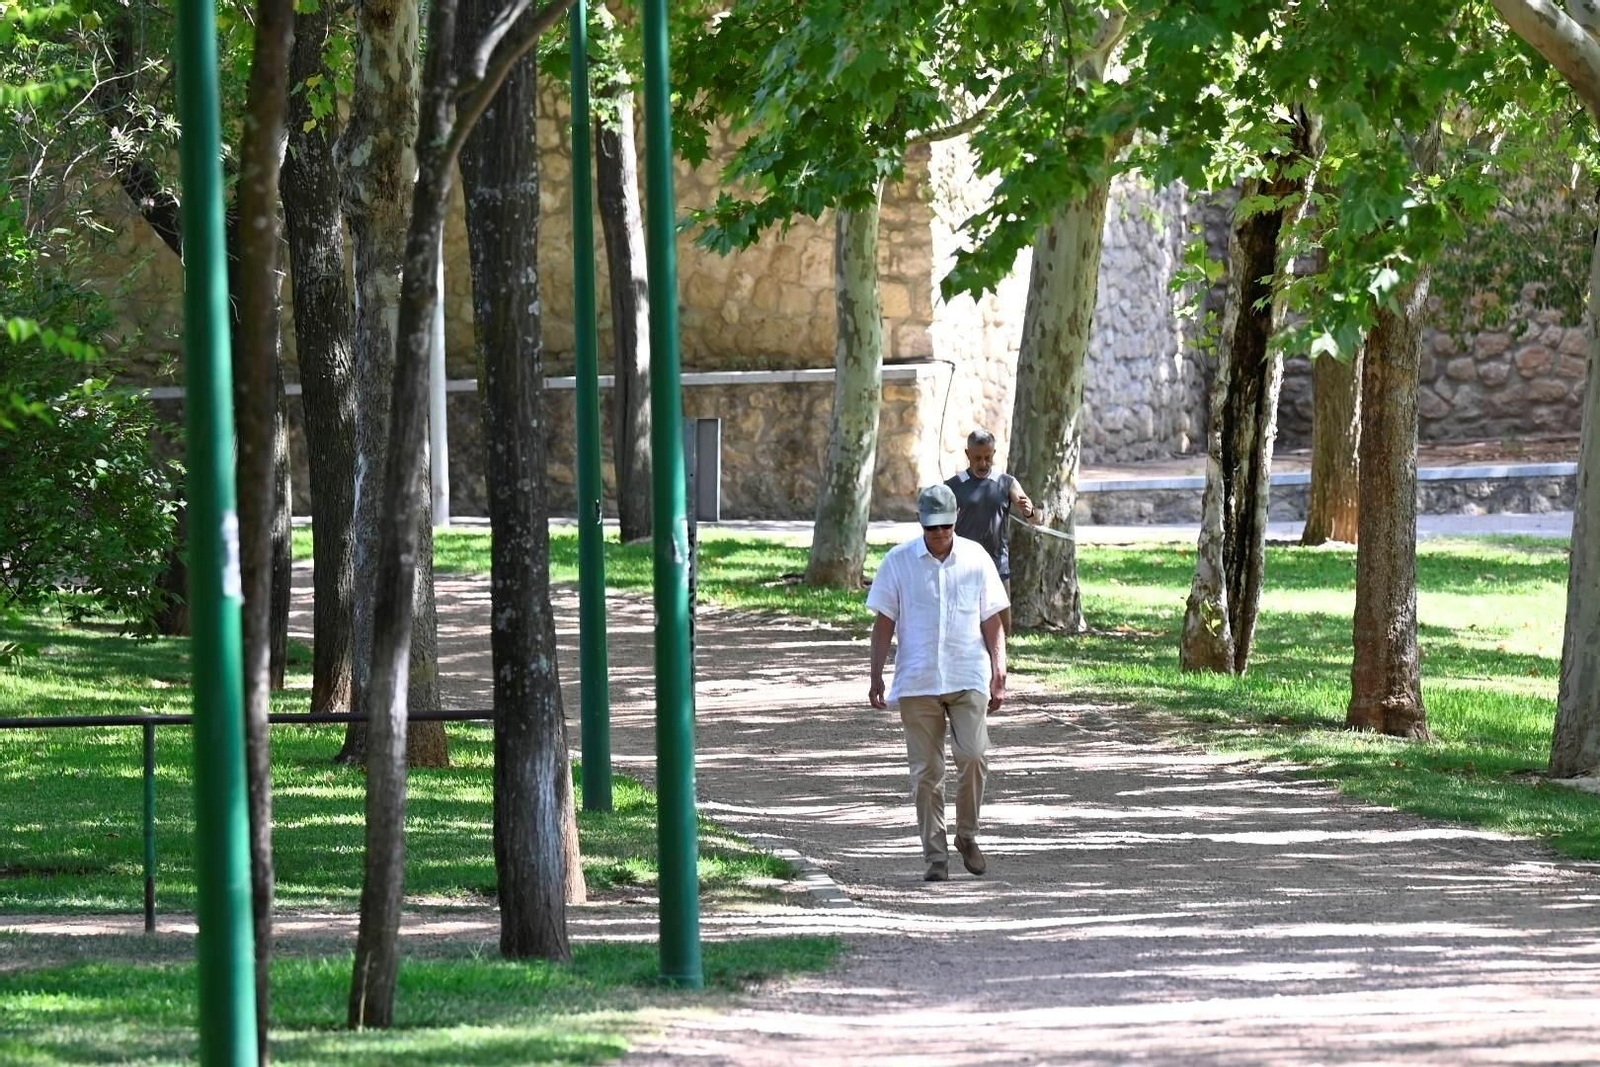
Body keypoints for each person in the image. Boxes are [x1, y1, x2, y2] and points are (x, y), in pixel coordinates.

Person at [867, 483, 1008, 883]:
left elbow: (992, 619)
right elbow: (884, 623)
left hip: (968, 674)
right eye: (933, 528)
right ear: (921, 524)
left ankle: (967, 835)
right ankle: (935, 854)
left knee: (975, 756)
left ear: (955, 520)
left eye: (946, 526)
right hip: (918, 679)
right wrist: (876, 673)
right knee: (926, 773)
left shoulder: (976, 559)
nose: (940, 534)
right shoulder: (898, 562)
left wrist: (1000, 669)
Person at [945, 429, 1039, 633]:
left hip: (998, 566)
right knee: (962, 627)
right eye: (977, 458)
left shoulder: (1007, 483)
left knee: (1003, 629)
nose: (983, 463)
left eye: (988, 457)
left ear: (994, 454)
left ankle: (1000, 664)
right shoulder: (952, 486)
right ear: (967, 454)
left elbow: (1036, 520)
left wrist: (1030, 511)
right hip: (962, 567)